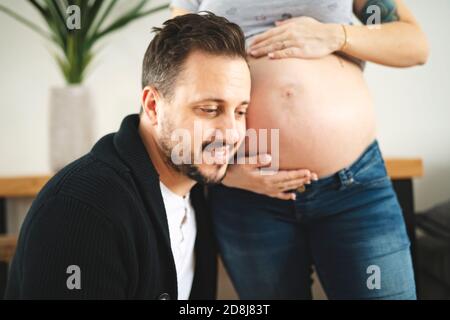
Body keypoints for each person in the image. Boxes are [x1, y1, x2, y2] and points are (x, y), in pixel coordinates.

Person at [170, 0, 429, 299]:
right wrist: (223, 174)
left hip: (354, 189)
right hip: (247, 197)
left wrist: (336, 35)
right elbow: (172, 87)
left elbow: (414, 44)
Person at [5, 12, 252, 299]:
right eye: (209, 109)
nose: (233, 133)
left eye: (240, 112)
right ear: (153, 105)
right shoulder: (82, 210)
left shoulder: (196, 191)